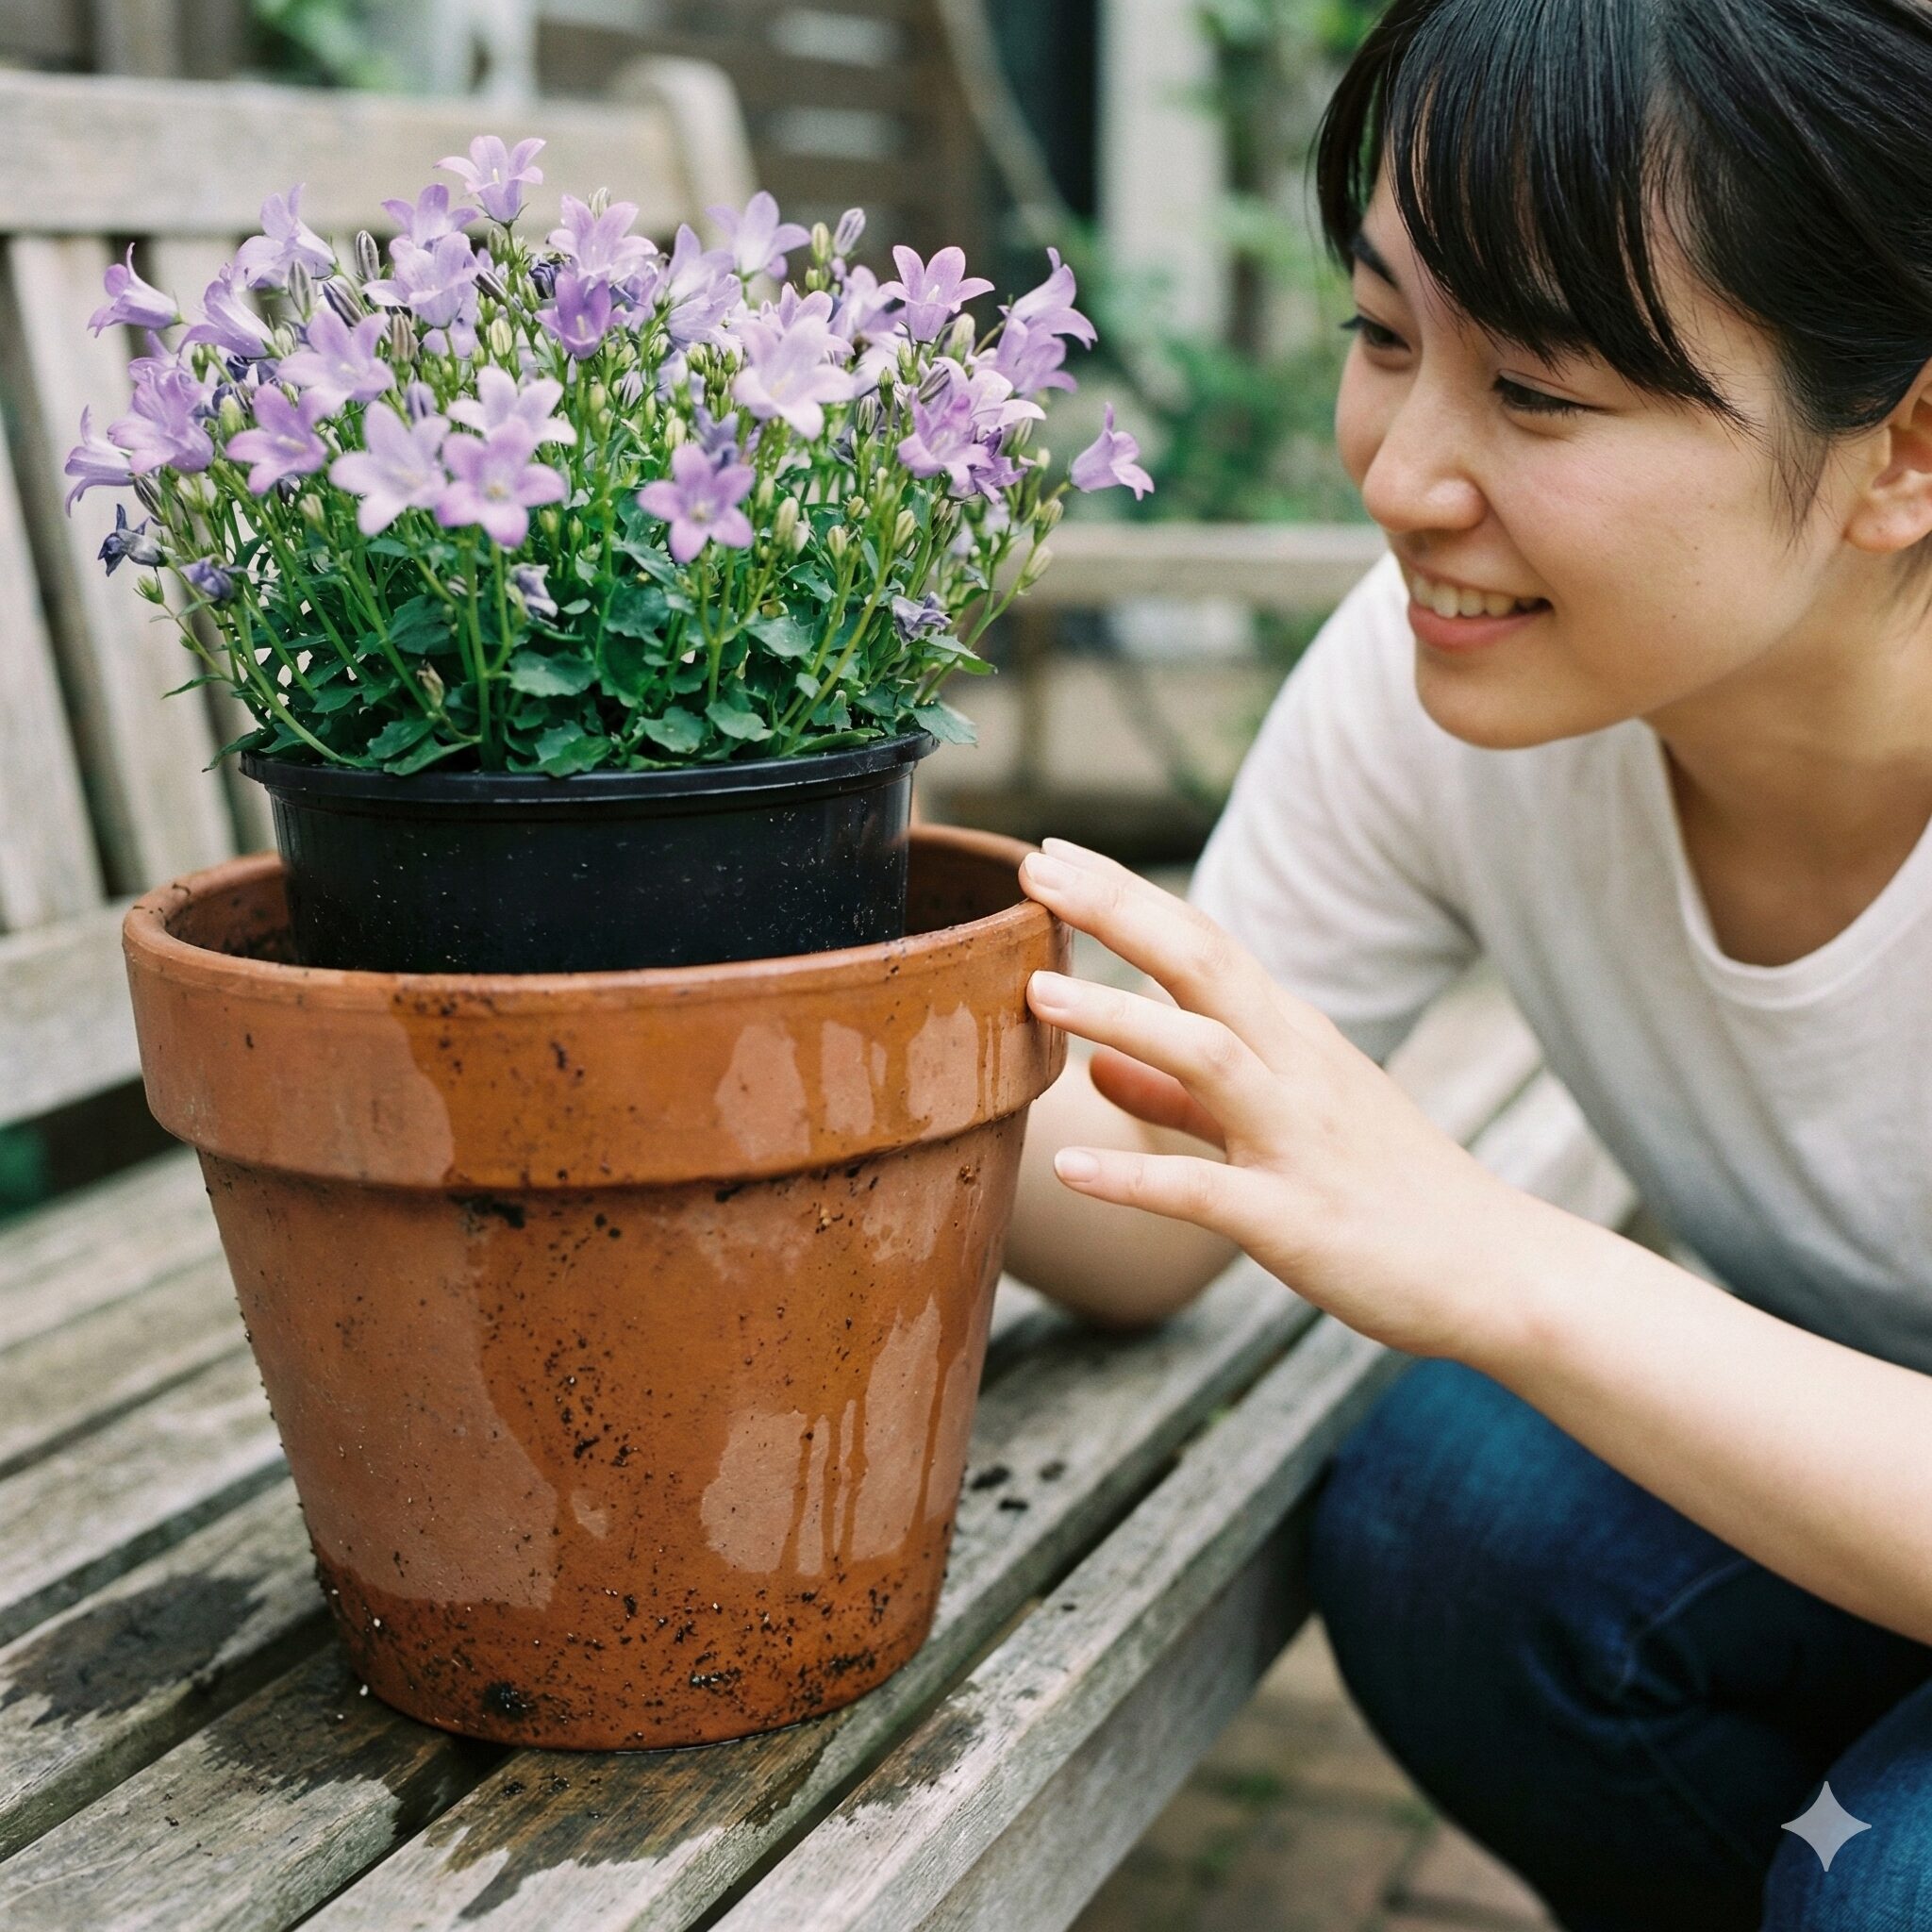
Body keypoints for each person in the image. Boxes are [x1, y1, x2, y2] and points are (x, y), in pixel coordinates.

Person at [996, 2, 1932, 1925]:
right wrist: (751, 988)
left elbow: (1467, 1254)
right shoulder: (1450, 670)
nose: (1399, 472)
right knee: (1446, 1519)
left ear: (1903, 443)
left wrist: (1491, 1255)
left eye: (1536, 391)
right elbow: (1136, 1205)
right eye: (1380, 335)